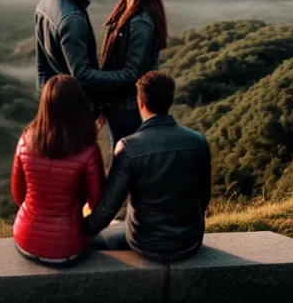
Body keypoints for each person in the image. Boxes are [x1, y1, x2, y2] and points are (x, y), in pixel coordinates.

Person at [85, 71, 212, 261]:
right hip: (190, 240)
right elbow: (204, 196)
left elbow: (108, 207)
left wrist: (80, 230)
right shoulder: (198, 141)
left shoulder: (128, 147)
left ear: (141, 103)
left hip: (146, 243)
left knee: (97, 239)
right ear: (170, 100)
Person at [11, 75, 105, 265]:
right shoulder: (88, 150)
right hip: (67, 248)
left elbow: (18, 194)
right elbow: (98, 204)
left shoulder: (26, 139)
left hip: (24, 240)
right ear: (80, 106)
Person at [35, 0, 144, 100]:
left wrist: (49, 106)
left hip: (55, 104)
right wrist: (128, 76)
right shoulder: (72, 18)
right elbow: (82, 75)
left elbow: (42, 70)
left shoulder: (46, 1)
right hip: (74, 108)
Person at [99, 0, 167, 143]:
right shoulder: (125, 11)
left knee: (125, 163)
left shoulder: (141, 22)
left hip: (129, 108)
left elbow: (132, 74)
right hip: (120, 106)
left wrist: (90, 76)